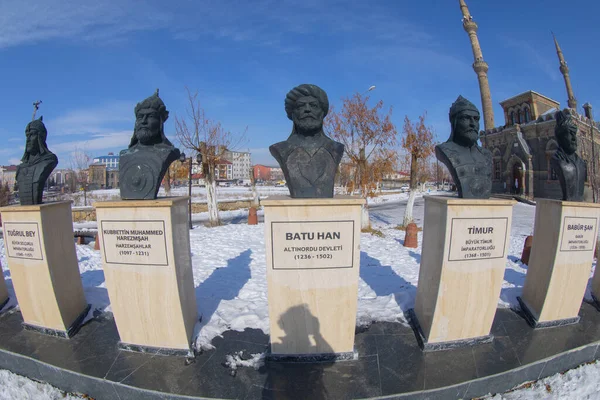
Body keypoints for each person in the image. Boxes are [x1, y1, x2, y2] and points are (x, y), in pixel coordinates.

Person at [269, 84, 344, 198]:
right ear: (292, 114)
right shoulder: (281, 149)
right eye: (300, 106)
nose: (307, 109)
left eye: (313, 106)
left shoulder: (335, 148)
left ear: (322, 113)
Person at [119, 89, 181, 199]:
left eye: (150, 116)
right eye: (140, 117)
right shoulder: (125, 154)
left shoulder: (167, 153)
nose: (143, 121)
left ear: (161, 122)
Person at [435, 96, 492, 199]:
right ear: (454, 122)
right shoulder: (444, 150)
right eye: (466, 118)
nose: (473, 124)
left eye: (476, 119)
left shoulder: (486, 155)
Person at [16, 117, 58, 205]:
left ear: (41, 137)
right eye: (27, 136)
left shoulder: (49, 161)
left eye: (32, 135)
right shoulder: (21, 168)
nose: (28, 139)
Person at [550, 110, 586, 201]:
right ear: (560, 137)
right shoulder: (557, 160)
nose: (574, 138)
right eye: (569, 133)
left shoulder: (581, 163)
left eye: (574, 133)